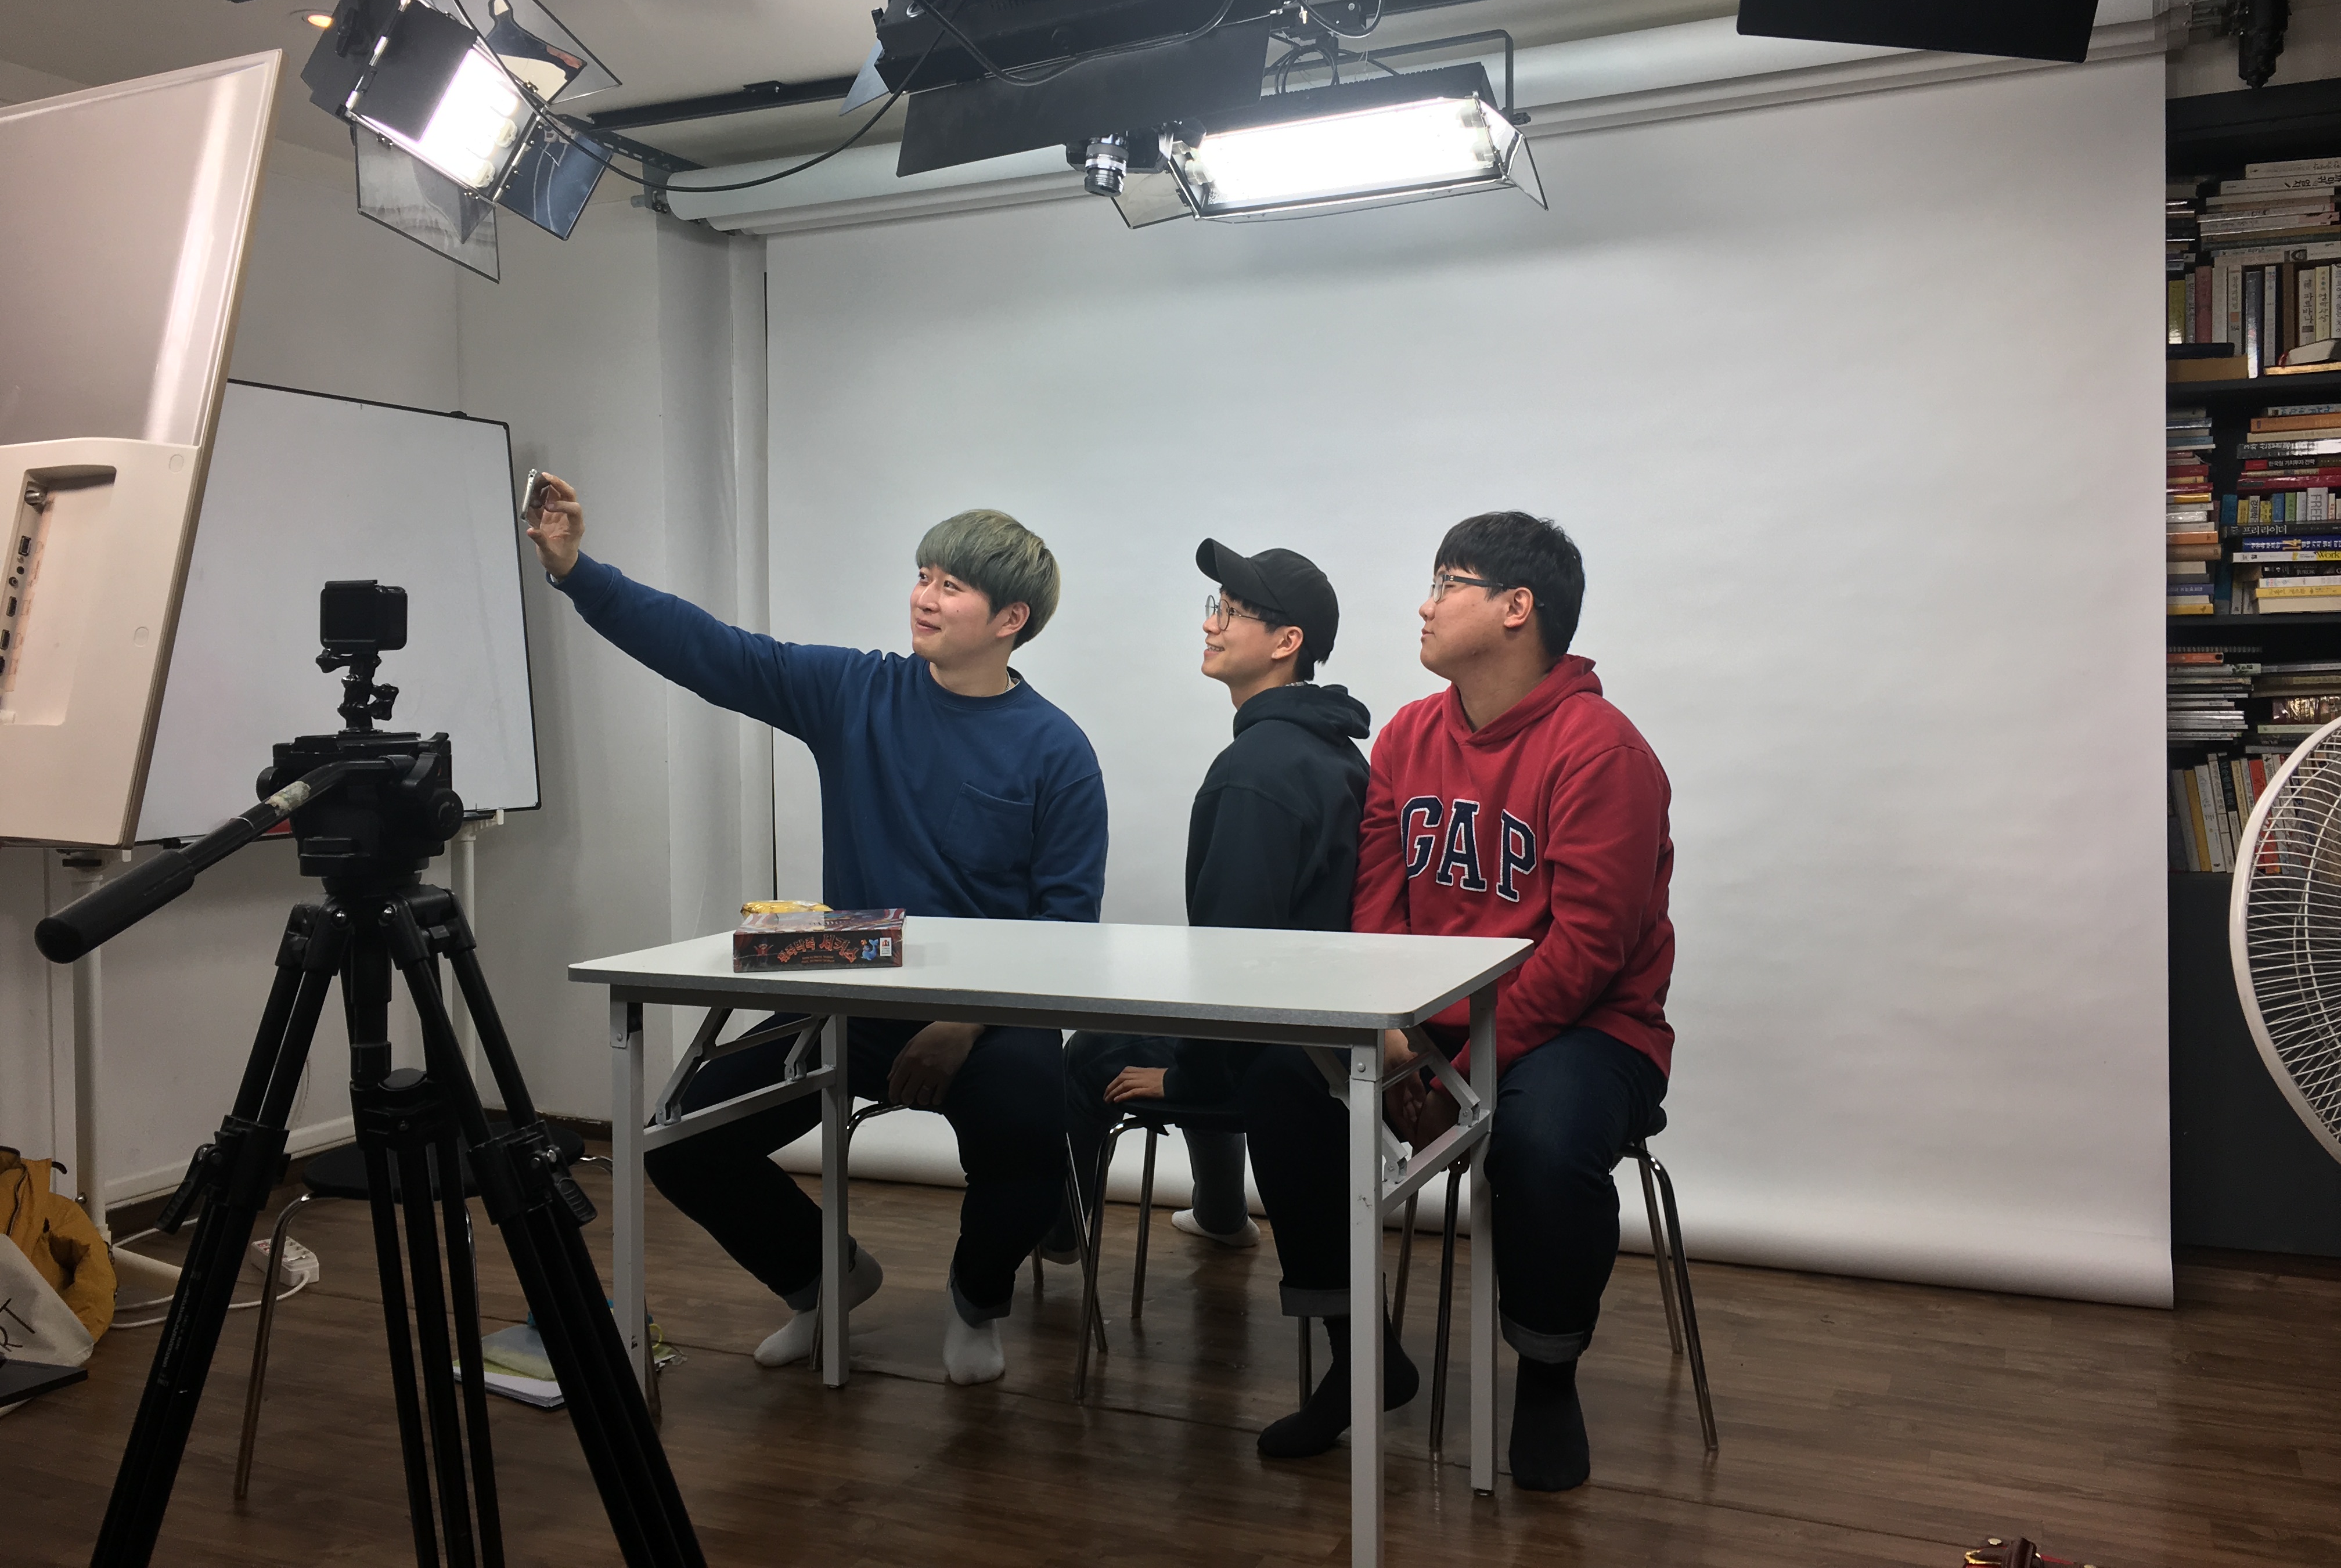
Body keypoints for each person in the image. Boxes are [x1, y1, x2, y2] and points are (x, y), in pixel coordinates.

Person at [524, 477, 1106, 1386]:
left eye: (951, 586)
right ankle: (824, 1279)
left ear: (1010, 619)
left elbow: (1066, 927)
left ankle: (975, 1300)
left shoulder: (1057, 750)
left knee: (1032, 1139)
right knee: (681, 1137)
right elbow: (711, 651)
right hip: (854, 990)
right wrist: (574, 570)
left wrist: (961, 1025)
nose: (923, 596)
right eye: (923, 575)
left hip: (987, 1014)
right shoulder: (855, 691)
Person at [1238, 511, 1673, 1489]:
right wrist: (1391, 1038)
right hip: (1428, 1024)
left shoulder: (1602, 752)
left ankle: (1548, 1375)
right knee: (1283, 1079)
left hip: (1585, 1029)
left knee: (1542, 1138)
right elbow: (1377, 904)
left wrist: (1467, 1076)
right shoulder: (1407, 733)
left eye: (1446, 583)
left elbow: (1587, 954)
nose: (1424, 605)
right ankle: (1361, 1358)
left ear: (1517, 607)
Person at [1055, 540, 1370, 1256]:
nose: (1210, 624)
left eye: (1231, 612)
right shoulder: (1334, 751)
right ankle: (1222, 1213)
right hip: (1319, 1042)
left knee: (1089, 1055)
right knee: (1181, 1016)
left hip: (1274, 1053)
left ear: (1286, 643)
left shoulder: (1254, 771)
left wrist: (1184, 1077)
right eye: (1215, 607)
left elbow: (1232, 963)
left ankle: (1055, 1238)